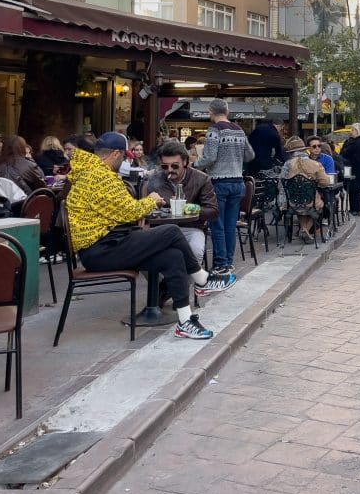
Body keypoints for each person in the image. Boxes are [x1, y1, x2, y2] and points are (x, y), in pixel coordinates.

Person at [66, 132, 234, 339]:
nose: (126, 161)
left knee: (173, 257)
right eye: (125, 157)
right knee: (171, 231)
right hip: (101, 249)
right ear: (116, 154)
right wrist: (151, 200)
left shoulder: (92, 172)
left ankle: (185, 321)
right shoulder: (99, 176)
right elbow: (130, 211)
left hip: (108, 244)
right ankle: (202, 279)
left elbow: (119, 211)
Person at [195, 99, 254, 276]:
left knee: (217, 225)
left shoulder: (214, 131)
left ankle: (221, 263)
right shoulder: (239, 130)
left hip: (219, 182)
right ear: (227, 112)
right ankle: (228, 261)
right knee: (230, 225)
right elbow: (250, 155)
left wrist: (193, 165)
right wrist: (235, 158)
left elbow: (210, 157)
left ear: (210, 112)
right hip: (238, 182)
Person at [145, 140, 219, 265]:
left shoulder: (201, 179)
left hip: (191, 228)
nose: (169, 170)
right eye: (164, 166)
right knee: (142, 256)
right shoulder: (155, 179)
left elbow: (213, 211)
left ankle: (181, 284)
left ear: (185, 162)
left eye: (174, 166)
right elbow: (146, 214)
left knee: (195, 250)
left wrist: (190, 208)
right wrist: (153, 205)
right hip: (162, 229)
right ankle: (166, 283)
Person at [279, 137, 331, 240]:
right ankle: (305, 229)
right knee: (319, 205)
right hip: (310, 201)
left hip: (292, 202)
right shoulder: (315, 164)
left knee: (299, 205)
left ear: (291, 153)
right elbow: (325, 182)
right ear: (304, 150)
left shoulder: (287, 165)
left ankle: (303, 229)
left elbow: (281, 183)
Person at [339, 123, 360, 216]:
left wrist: (347, 159)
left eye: (353, 130)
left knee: (355, 189)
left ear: (358, 131)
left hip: (356, 169)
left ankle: (356, 209)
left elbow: (358, 156)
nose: (351, 131)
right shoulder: (352, 140)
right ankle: (354, 208)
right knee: (351, 188)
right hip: (350, 167)